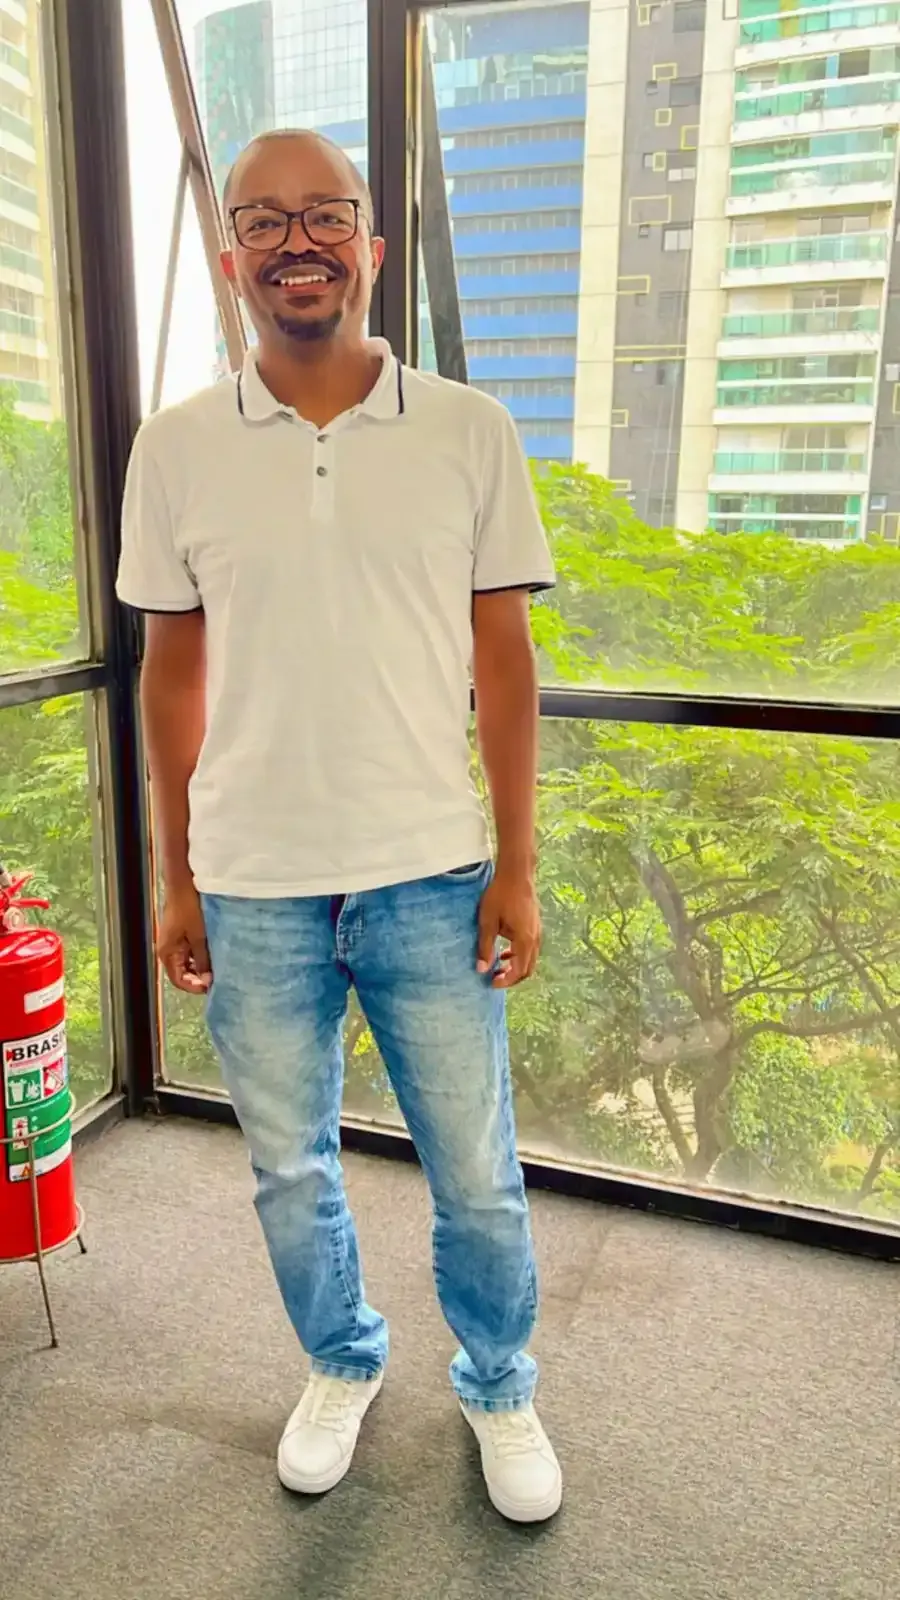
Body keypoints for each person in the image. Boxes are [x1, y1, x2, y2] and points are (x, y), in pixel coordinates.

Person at [117, 129, 561, 1525]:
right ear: (232, 256)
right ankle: (340, 1360)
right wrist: (177, 876)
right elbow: (170, 675)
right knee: (288, 1168)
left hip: (431, 867)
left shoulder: (468, 431)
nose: (295, 241)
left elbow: (506, 665)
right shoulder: (175, 447)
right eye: (264, 219)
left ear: (369, 244)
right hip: (252, 881)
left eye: (324, 216)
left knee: (476, 1171)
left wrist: (517, 867)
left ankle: (499, 1382)